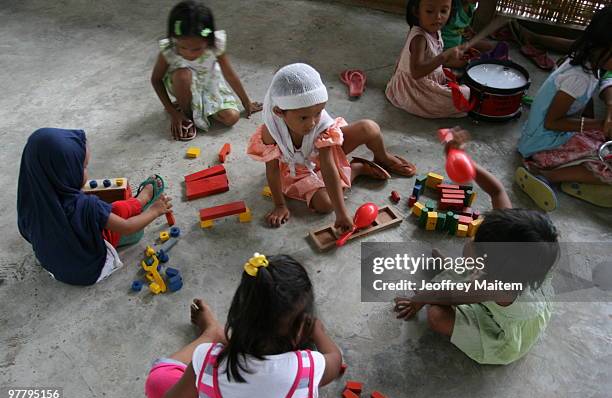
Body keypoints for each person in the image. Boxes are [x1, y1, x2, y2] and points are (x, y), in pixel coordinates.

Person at [395, 128, 560, 365]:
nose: (474, 240)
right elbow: (496, 190)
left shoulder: (500, 288)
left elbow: (449, 295)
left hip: (501, 332)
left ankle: (457, 274)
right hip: (506, 293)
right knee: (469, 252)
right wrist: (465, 161)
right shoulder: (531, 247)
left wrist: (418, 299)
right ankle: (459, 270)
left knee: (436, 314)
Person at [145, 254, 343, 398]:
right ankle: (217, 334)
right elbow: (335, 359)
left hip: (215, 369)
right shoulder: (307, 368)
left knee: (158, 382)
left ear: (237, 314)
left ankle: (212, 334)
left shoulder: (206, 359)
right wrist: (318, 331)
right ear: (301, 328)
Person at [247, 63, 416, 229]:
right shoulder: (271, 131)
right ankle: (356, 169)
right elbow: (273, 170)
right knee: (325, 204)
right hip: (298, 170)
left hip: (326, 155)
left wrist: (341, 213)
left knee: (369, 128)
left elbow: (328, 167)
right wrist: (279, 205)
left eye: (318, 113)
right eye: (304, 118)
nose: (312, 123)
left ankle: (382, 157)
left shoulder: (322, 127)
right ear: (279, 112)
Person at [17, 128, 172, 285]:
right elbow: (127, 227)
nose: (86, 172)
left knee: (102, 214)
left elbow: (28, 235)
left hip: (55, 267)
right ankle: (141, 200)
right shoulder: (87, 206)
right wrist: (155, 211)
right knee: (118, 210)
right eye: (83, 167)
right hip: (90, 269)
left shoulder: (28, 204)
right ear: (66, 174)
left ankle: (137, 204)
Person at [516, 5, 612, 211]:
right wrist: (598, 124)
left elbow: (586, 100)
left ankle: (566, 173)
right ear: (603, 47)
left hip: (551, 134)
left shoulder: (590, 64)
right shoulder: (578, 77)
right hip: (541, 144)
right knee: (609, 166)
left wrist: (597, 126)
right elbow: (552, 122)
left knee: (603, 143)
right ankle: (544, 176)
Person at [151, 1, 261, 140]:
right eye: (183, 48)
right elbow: (156, 80)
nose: (189, 53)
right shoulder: (170, 50)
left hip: (209, 85)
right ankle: (186, 114)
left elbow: (229, 74)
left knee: (232, 118)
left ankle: (199, 108)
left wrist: (246, 102)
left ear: (208, 40)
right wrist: (173, 113)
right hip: (182, 83)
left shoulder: (215, 45)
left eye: (196, 49)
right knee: (183, 75)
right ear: (175, 40)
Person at [386, 0, 470, 118]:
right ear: (416, 11)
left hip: (427, 78)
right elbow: (416, 72)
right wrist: (445, 55)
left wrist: (455, 59)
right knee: (464, 97)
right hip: (414, 89)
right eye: (430, 11)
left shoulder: (435, 31)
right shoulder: (419, 38)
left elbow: (433, 58)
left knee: (461, 86)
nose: (438, 17)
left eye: (444, 11)